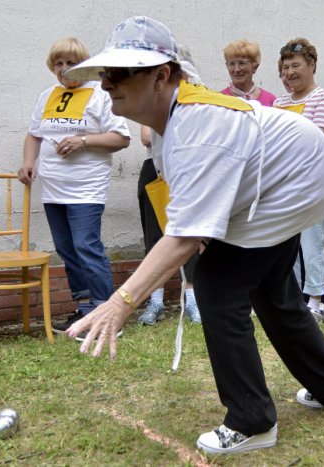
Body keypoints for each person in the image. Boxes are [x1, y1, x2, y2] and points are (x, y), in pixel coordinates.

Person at [64, 16, 324, 455]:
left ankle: (253, 421)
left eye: (121, 73)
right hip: (288, 183)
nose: (107, 84)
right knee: (274, 292)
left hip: (294, 184)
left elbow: (185, 236)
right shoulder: (176, 120)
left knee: (218, 283)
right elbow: (186, 210)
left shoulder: (198, 126)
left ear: (162, 76)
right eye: (105, 74)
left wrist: (119, 303)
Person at [17, 38, 130, 338]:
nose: (64, 69)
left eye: (70, 63)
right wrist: (29, 162)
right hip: (53, 189)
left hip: (86, 188)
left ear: (83, 66)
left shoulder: (99, 94)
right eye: (58, 63)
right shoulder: (47, 96)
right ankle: (83, 310)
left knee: (86, 247)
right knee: (67, 249)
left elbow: (121, 138)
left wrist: (83, 141)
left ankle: (106, 312)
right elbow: (33, 135)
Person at [274, 38, 324, 322]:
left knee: (313, 242)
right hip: (284, 184)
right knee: (289, 244)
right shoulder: (279, 102)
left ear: (311, 65)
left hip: (312, 183)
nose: (290, 72)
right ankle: (296, 296)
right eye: (286, 67)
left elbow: (317, 137)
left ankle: (316, 298)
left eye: (296, 65)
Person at [137, 45, 201, 326]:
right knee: (155, 237)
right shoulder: (150, 99)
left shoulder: (198, 99)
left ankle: (194, 301)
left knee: (191, 237)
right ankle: (156, 301)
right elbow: (147, 136)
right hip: (156, 173)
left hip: (190, 172)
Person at [220, 40, 276, 106]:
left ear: (255, 67)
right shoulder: (219, 100)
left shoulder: (270, 100)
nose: (236, 69)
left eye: (242, 63)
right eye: (232, 64)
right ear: (227, 66)